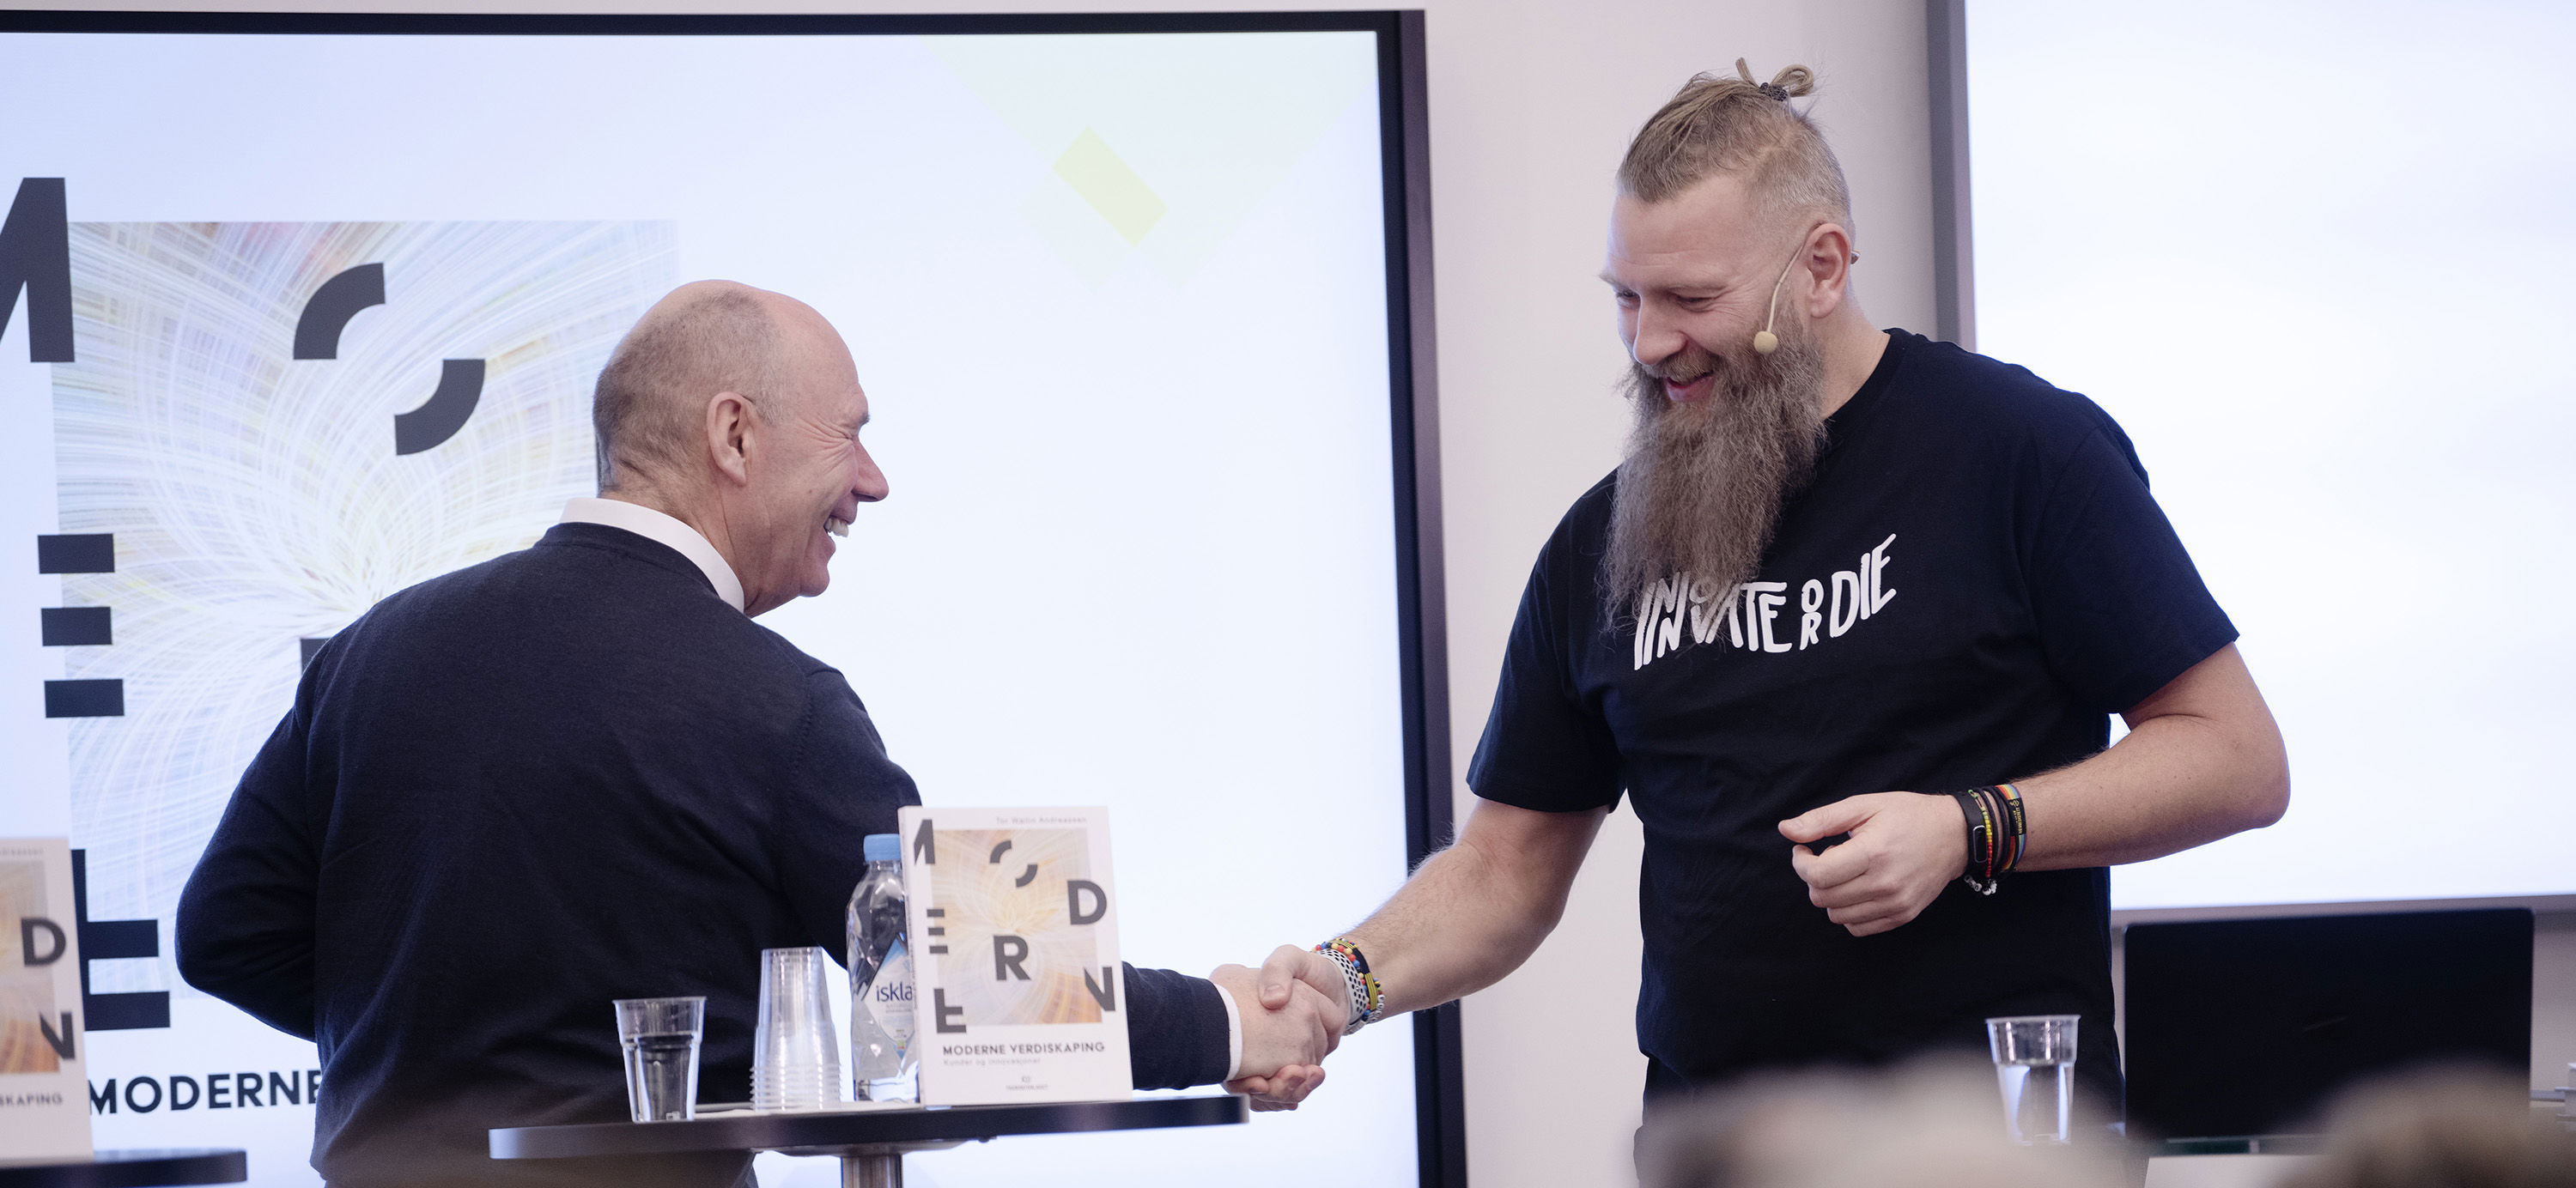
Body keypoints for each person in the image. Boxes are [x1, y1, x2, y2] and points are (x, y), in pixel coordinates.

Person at [1238, 62, 2290, 1120]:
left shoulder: (2023, 453)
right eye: (1628, 298)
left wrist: (1970, 829)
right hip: (1717, 1148)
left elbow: (2235, 759)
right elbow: (1504, 871)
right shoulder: (1605, 539)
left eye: (1693, 300)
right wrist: (1343, 982)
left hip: (1987, 1141)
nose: (1650, 343)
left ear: (1821, 267)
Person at [176, 282, 1332, 1188]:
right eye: (851, 435)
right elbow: (987, 997)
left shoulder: (373, 652)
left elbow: (226, 936)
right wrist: (1230, 1021)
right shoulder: (776, 702)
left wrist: (437, 1053)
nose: (874, 481)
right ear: (734, 434)